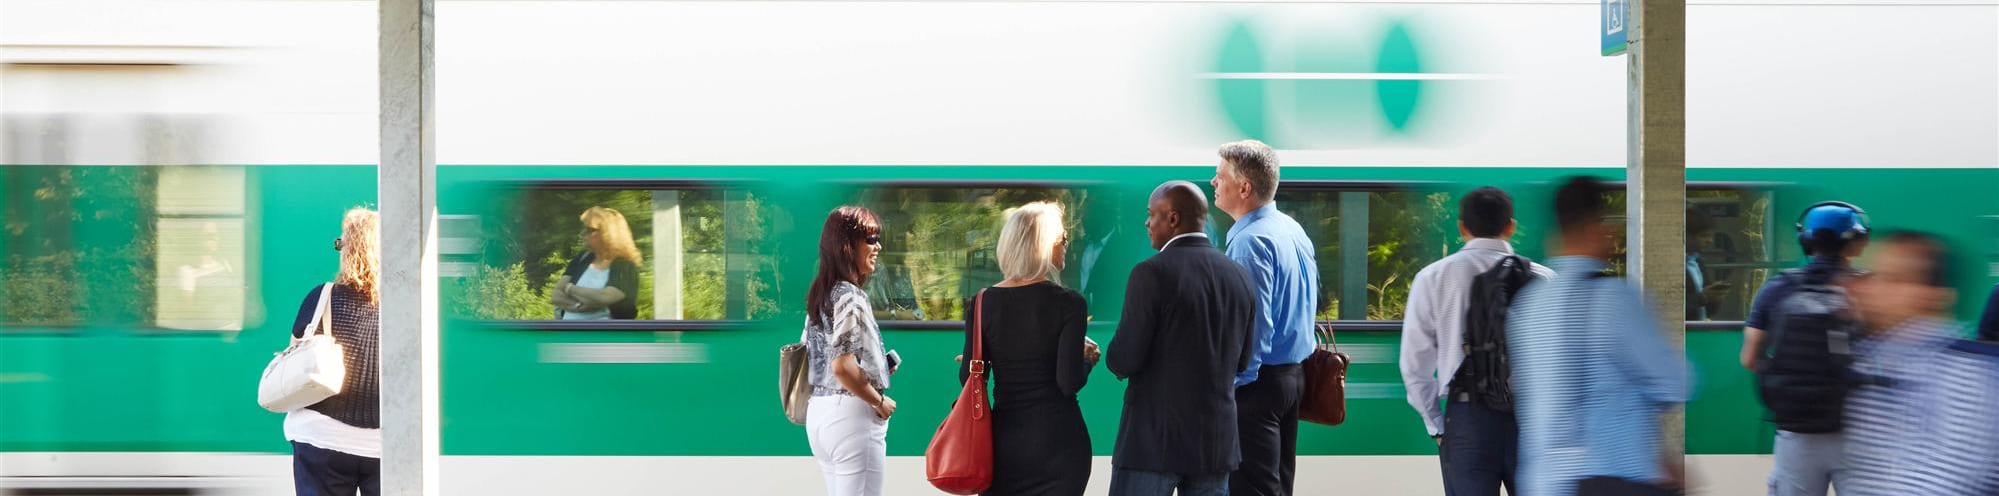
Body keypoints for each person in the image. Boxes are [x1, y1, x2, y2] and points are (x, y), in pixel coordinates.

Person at [1507, 176, 1690, 496]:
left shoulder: (1531, 302)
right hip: (1610, 476)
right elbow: (1674, 383)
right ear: (1594, 227)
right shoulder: (1615, 298)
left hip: (1545, 480)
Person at [1106, 181, 1257, 496]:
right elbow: (1243, 360)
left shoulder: (1150, 274)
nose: (1147, 223)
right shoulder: (1239, 275)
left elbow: (1125, 358)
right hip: (1215, 445)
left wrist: (1108, 357)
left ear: (1172, 219)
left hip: (1152, 442)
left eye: (1152, 215)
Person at [1398, 186, 1552, 496]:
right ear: (1511, 226)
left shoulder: (1433, 277)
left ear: (1462, 227)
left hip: (1468, 420)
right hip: (1533, 418)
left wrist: (1437, 426)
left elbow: (1415, 366)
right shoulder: (1544, 278)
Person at [1841, 231, 1999, 494]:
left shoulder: (1968, 378)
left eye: (1892, 279)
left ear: (1933, 295)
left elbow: (1946, 485)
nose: (1868, 288)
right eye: (1870, 275)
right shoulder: (1878, 364)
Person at [960, 201, 1100, 496]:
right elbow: (1068, 382)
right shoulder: (1070, 303)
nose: (1067, 246)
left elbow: (969, 379)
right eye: (1063, 239)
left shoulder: (983, 302)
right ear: (1045, 245)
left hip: (1003, 445)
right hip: (1060, 445)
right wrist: (1087, 360)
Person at [1209, 139, 1318, 496]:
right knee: (1278, 485)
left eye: (1219, 175)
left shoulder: (1249, 241)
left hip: (1258, 384)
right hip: (1292, 377)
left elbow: (1254, 324)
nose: (1213, 182)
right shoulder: (1292, 229)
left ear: (1244, 187)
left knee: (1252, 488)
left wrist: (1236, 384)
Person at [1742, 201, 1869, 496]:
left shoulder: (1778, 287)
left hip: (1797, 431)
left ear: (1805, 240)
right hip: (1861, 429)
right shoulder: (1869, 288)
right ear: (1858, 243)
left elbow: (1749, 358)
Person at [286, 207, 383, 496]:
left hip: (320, 438)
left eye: (340, 244)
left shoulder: (322, 297)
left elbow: (295, 357)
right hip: (384, 443)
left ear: (346, 250)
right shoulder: (404, 301)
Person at [802, 206, 895, 496]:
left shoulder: (821, 294)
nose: (877, 246)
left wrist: (876, 366)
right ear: (847, 245)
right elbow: (842, 366)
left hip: (819, 414)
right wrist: (879, 401)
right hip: (851, 417)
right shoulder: (850, 296)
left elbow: (814, 354)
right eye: (870, 238)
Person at [552, 207, 642, 320]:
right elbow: (556, 295)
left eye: (590, 230)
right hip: (569, 335)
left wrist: (570, 289)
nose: (583, 233)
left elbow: (605, 297)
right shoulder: (582, 259)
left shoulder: (625, 266)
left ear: (609, 233)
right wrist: (577, 306)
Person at [1685, 206, 1728, 321]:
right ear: (1686, 236)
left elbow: (1708, 309)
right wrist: (1703, 297)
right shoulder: (1671, 264)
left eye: (1711, 236)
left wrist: (1715, 298)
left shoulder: (1697, 262)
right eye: (1704, 236)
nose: (1710, 241)